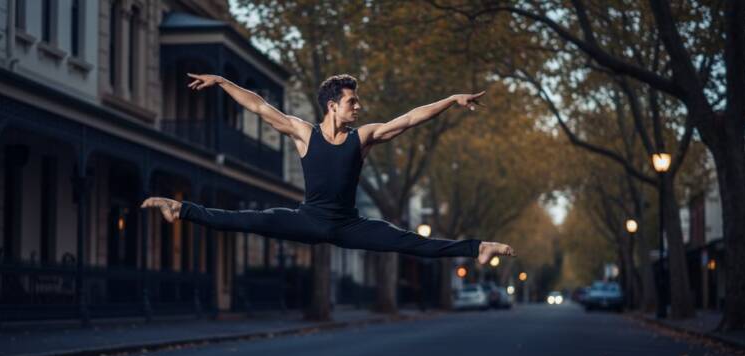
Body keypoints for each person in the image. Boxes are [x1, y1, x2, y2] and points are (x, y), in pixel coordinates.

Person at [142, 73, 515, 264]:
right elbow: (259, 107)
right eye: (352, 101)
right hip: (308, 219)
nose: (359, 106)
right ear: (332, 106)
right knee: (247, 219)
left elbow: (409, 119)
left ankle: (479, 247)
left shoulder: (363, 137)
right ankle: (180, 209)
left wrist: (451, 100)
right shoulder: (304, 134)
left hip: (350, 225)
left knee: (412, 243)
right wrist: (223, 82)